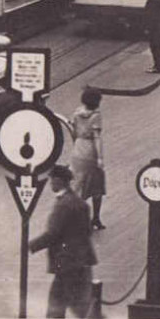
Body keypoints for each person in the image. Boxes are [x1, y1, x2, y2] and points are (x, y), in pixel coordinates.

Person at [26, 164, 97, 319]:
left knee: (56, 307)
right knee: (79, 306)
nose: (51, 183)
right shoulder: (79, 202)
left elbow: (52, 234)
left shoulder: (63, 205)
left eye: (52, 180)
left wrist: (30, 246)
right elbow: (87, 231)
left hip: (66, 264)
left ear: (59, 181)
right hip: (81, 262)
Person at [57, 88, 107, 230]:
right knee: (97, 185)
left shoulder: (77, 113)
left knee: (78, 184)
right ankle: (96, 218)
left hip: (78, 149)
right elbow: (97, 138)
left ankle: (73, 219)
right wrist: (100, 158)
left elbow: (73, 133)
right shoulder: (96, 115)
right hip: (90, 150)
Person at [141, 0, 160, 73]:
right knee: (156, 47)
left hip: (154, 27)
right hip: (157, 26)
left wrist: (148, 28)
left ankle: (157, 67)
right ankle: (157, 66)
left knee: (155, 47)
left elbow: (152, 15)